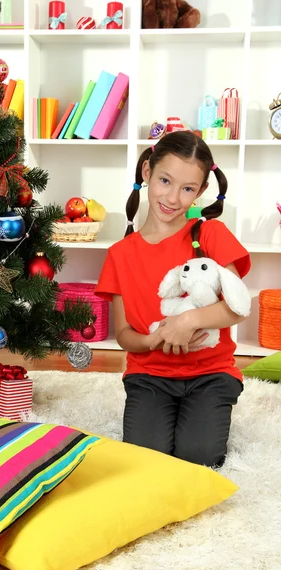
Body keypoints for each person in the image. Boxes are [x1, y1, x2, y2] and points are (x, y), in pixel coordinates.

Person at [95, 131, 251, 468]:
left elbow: (238, 306)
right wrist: (155, 339)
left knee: (198, 458)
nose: (173, 197)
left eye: (188, 189)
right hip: (149, 376)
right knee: (145, 459)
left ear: (201, 191)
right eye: (165, 180)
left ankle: (209, 411)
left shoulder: (210, 233)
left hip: (211, 373)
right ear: (147, 172)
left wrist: (187, 321)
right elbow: (123, 334)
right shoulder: (120, 255)